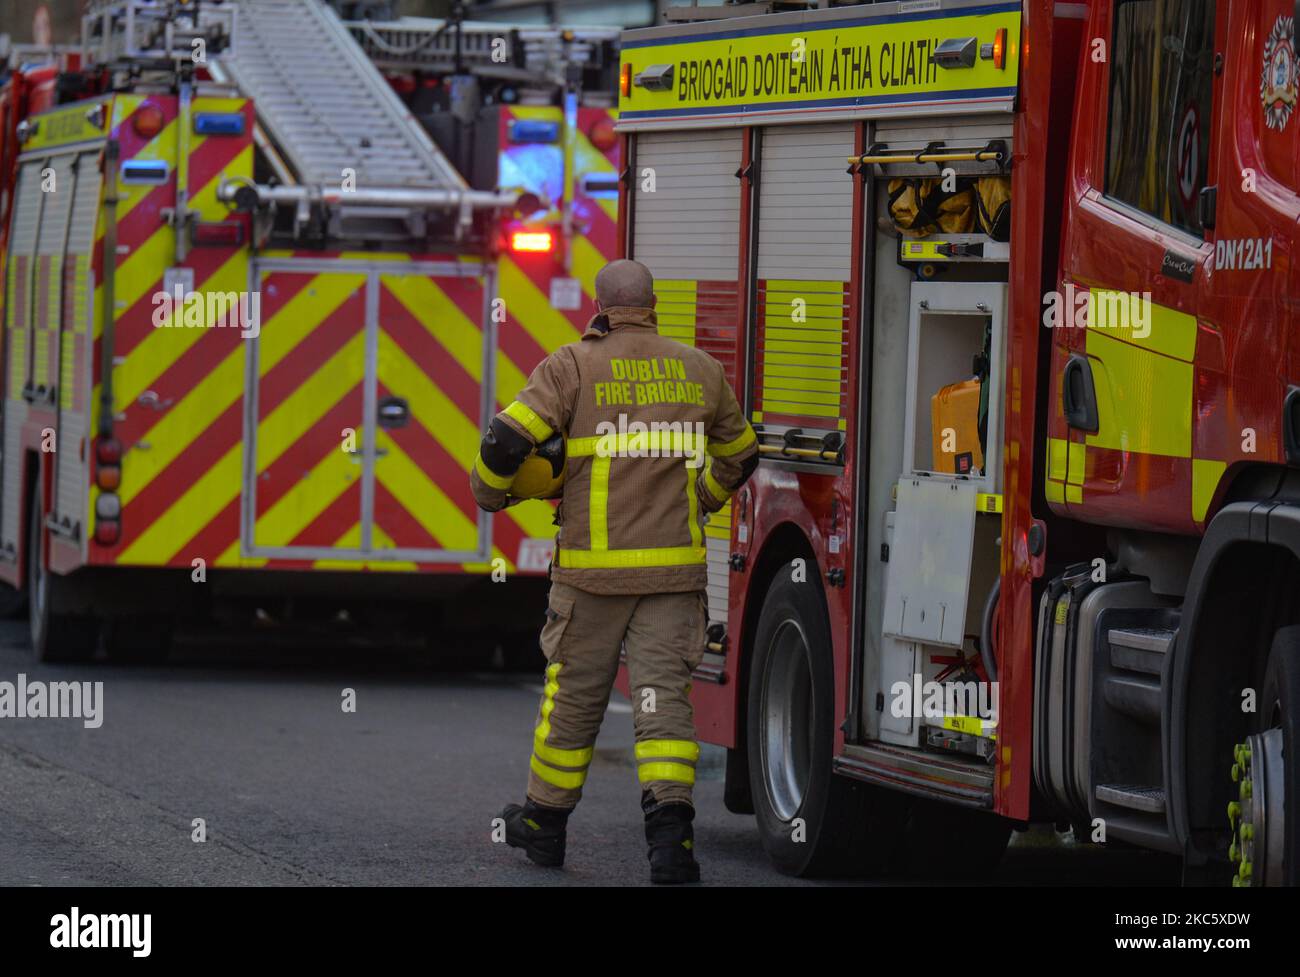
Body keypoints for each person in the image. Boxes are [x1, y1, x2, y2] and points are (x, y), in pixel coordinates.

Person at [470, 259, 759, 883]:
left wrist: (491, 496)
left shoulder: (571, 366)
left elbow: (502, 444)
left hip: (591, 580)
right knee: (664, 712)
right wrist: (703, 498)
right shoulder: (700, 370)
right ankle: (671, 849)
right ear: (654, 305)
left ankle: (544, 828)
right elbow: (741, 454)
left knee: (572, 702)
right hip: (673, 581)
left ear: (600, 308)